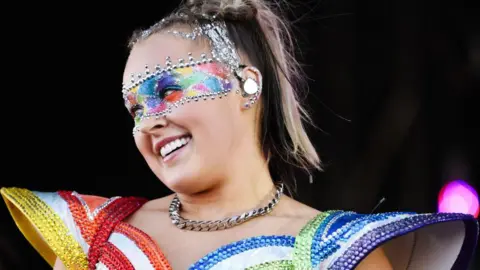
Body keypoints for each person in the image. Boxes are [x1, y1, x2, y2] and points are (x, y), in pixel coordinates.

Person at [1, 0, 478, 269]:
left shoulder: (339, 253)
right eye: (134, 109)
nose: (148, 122)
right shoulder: (97, 237)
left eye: (167, 89)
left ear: (247, 83)